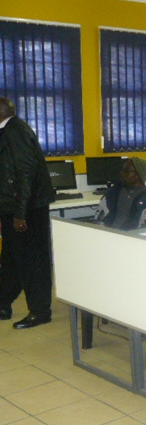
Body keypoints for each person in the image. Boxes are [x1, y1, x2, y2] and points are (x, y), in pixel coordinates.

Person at [0, 97, 56, 329]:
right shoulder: (7, 131)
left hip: (27, 209)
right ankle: (3, 304)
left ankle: (40, 311)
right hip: (14, 207)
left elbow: (25, 173)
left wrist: (20, 213)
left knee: (33, 262)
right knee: (11, 259)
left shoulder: (16, 131)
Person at [97, 157, 146, 230]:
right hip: (108, 231)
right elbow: (101, 213)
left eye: (127, 171)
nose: (122, 174)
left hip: (128, 234)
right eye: (122, 170)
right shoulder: (116, 190)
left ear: (138, 174)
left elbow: (141, 225)